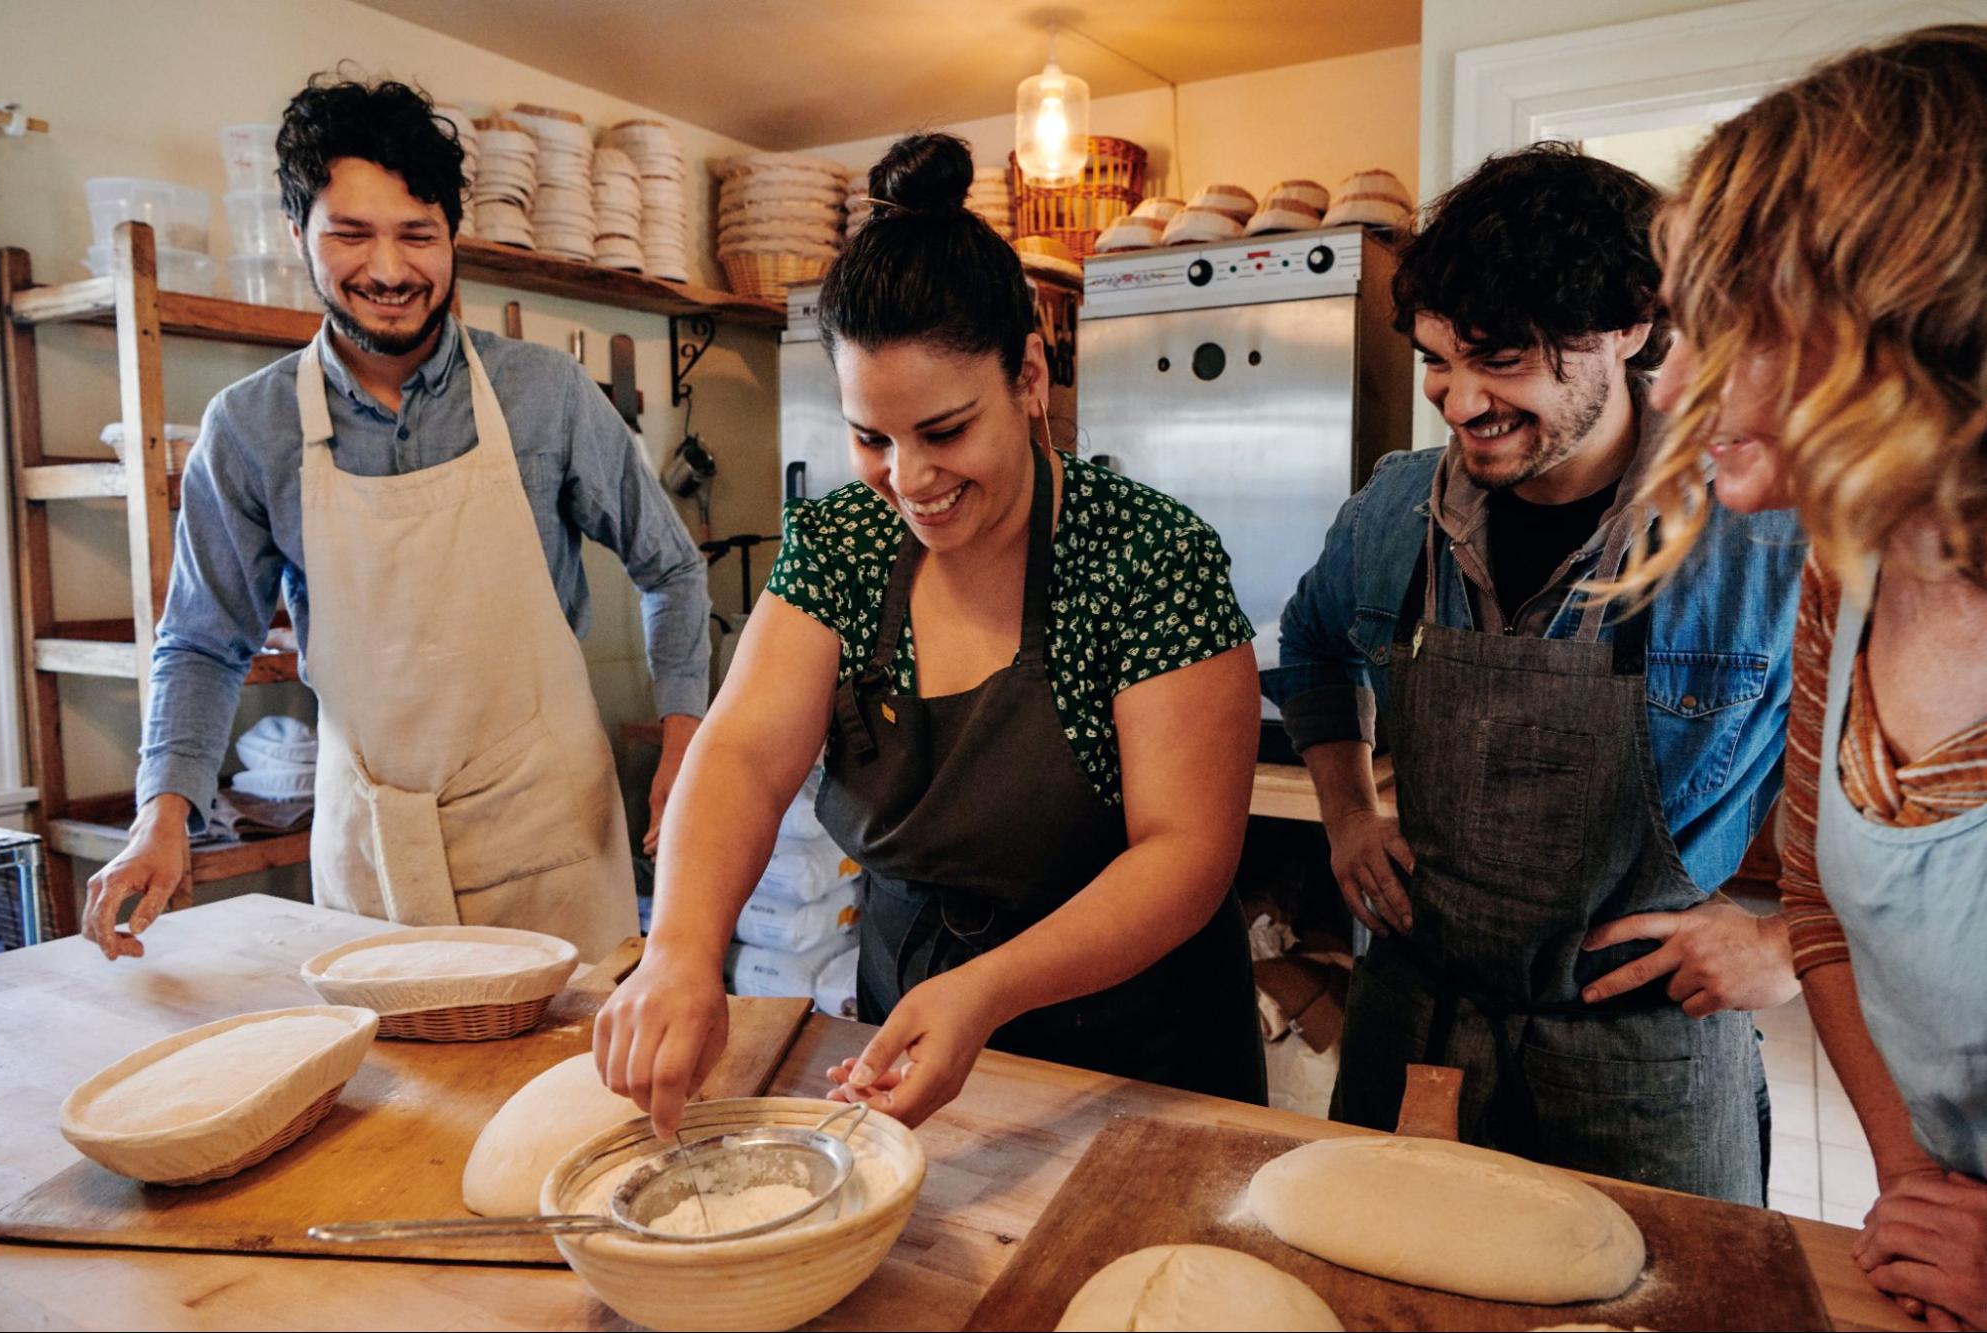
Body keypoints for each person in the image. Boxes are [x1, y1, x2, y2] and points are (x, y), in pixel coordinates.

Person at [594, 133, 1264, 1134]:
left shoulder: (1146, 554)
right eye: (871, 437)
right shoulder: (842, 543)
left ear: (1029, 377)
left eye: (945, 431)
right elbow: (739, 753)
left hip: (1139, 1048)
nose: (908, 480)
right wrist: (681, 948)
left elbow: (1185, 855)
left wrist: (986, 991)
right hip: (909, 1011)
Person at [1265, 144, 1805, 1204]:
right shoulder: (1391, 513)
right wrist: (1343, 813)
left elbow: (1919, 780)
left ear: (1631, 328)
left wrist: (1792, 943)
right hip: (1417, 1023)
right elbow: (1314, 647)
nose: (1458, 403)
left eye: (1501, 360)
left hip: (1645, 1051)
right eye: (1434, 361)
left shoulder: (1764, 536)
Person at [80, 74, 710, 962]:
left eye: (417, 235)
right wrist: (163, 809)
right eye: (349, 233)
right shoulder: (250, 428)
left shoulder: (546, 396)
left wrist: (685, 737)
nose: (386, 269)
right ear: (298, 232)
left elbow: (671, 567)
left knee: (569, 1095)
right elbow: (202, 639)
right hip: (371, 846)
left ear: (454, 236)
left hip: (549, 835)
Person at [1617, 25, 1987, 1327]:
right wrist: (1908, 1184)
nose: (1664, 383)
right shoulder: (1849, 575)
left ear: (1882, 320)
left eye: (1719, 327)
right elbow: (1822, 908)